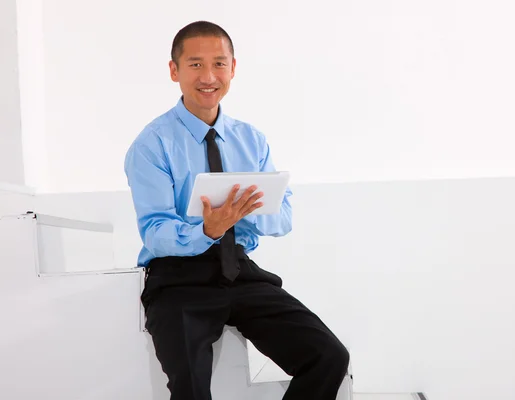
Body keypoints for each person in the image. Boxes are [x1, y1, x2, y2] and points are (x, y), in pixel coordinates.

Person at [124, 20, 350, 400]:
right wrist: (208, 230)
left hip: (241, 272)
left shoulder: (251, 139)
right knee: (191, 386)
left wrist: (246, 210)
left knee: (328, 356)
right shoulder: (152, 144)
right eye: (195, 64)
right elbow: (154, 231)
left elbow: (283, 217)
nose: (209, 76)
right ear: (174, 70)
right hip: (178, 279)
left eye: (219, 64)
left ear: (233, 68)